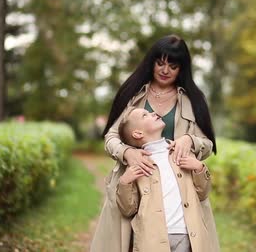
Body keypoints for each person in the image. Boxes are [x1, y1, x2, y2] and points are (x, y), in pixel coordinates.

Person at [90, 34, 219, 252]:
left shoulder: (193, 99)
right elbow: (111, 136)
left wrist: (190, 140)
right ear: (152, 62)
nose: (165, 70)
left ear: (182, 68)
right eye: (160, 63)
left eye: (173, 65)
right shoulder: (133, 94)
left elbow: (207, 143)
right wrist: (127, 153)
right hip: (137, 188)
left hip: (177, 194)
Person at [116, 107, 214, 252]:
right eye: (145, 115)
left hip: (186, 234)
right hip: (152, 239)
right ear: (137, 133)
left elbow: (202, 193)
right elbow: (128, 209)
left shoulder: (182, 152)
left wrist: (199, 168)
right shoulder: (137, 165)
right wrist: (124, 182)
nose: (154, 113)